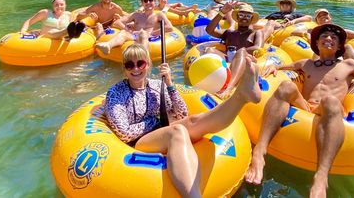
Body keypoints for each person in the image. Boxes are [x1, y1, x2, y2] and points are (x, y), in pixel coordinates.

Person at [245, 24, 354, 197]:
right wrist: (273, 68)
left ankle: (321, 177)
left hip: (329, 110)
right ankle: (259, 153)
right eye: (324, 36)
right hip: (306, 107)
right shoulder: (306, 64)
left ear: (339, 46)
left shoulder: (349, 65)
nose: (328, 38)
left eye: (333, 37)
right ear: (316, 43)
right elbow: (281, 68)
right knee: (286, 86)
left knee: (330, 100)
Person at [105, 43, 261, 197]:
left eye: (140, 63)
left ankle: (241, 96)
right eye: (129, 65)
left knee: (193, 121)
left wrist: (169, 84)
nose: (136, 69)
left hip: (160, 130)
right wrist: (154, 121)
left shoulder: (155, 86)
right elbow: (124, 133)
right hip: (137, 142)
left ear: (148, 64)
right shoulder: (116, 93)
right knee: (177, 131)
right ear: (124, 69)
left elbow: (181, 113)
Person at [205, 2, 264, 97]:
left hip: (245, 61)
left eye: (248, 15)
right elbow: (209, 30)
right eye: (241, 15)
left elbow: (259, 47)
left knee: (241, 51)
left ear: (252, 19)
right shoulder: (229, 33)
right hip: (228, 60)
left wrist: (240, 52)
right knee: (210, 51)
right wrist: (222, 12)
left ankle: (228, 89)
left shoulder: (256, 33)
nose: (244, 17)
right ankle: (208, 82)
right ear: (237, 17)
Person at [95, 0, 173, 54]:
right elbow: (117, 23)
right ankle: (108, 45)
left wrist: (151, 33)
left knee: (143, 34)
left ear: (154, 2)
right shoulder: (136, 15)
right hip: (134, 36)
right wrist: (128, 30)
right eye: (145, 1)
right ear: (142, 3)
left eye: (151, 0)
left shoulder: (159, 15)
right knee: (123, 32)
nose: (148, 2)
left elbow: (169, 27)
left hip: (150, 37)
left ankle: (143, 57)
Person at [20, 0, 85, 39]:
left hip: (63, 38)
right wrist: (23, 30)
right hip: (46, 37)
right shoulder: (45, 13)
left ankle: (71, 33)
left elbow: (74, 24)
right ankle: (67, 31)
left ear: (65, 5)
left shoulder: (69, 14)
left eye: (61, 4)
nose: (59, 6)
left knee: (72, 27)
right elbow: (29, 21)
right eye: (56, 5)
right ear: (52, 6)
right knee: (51, 32)